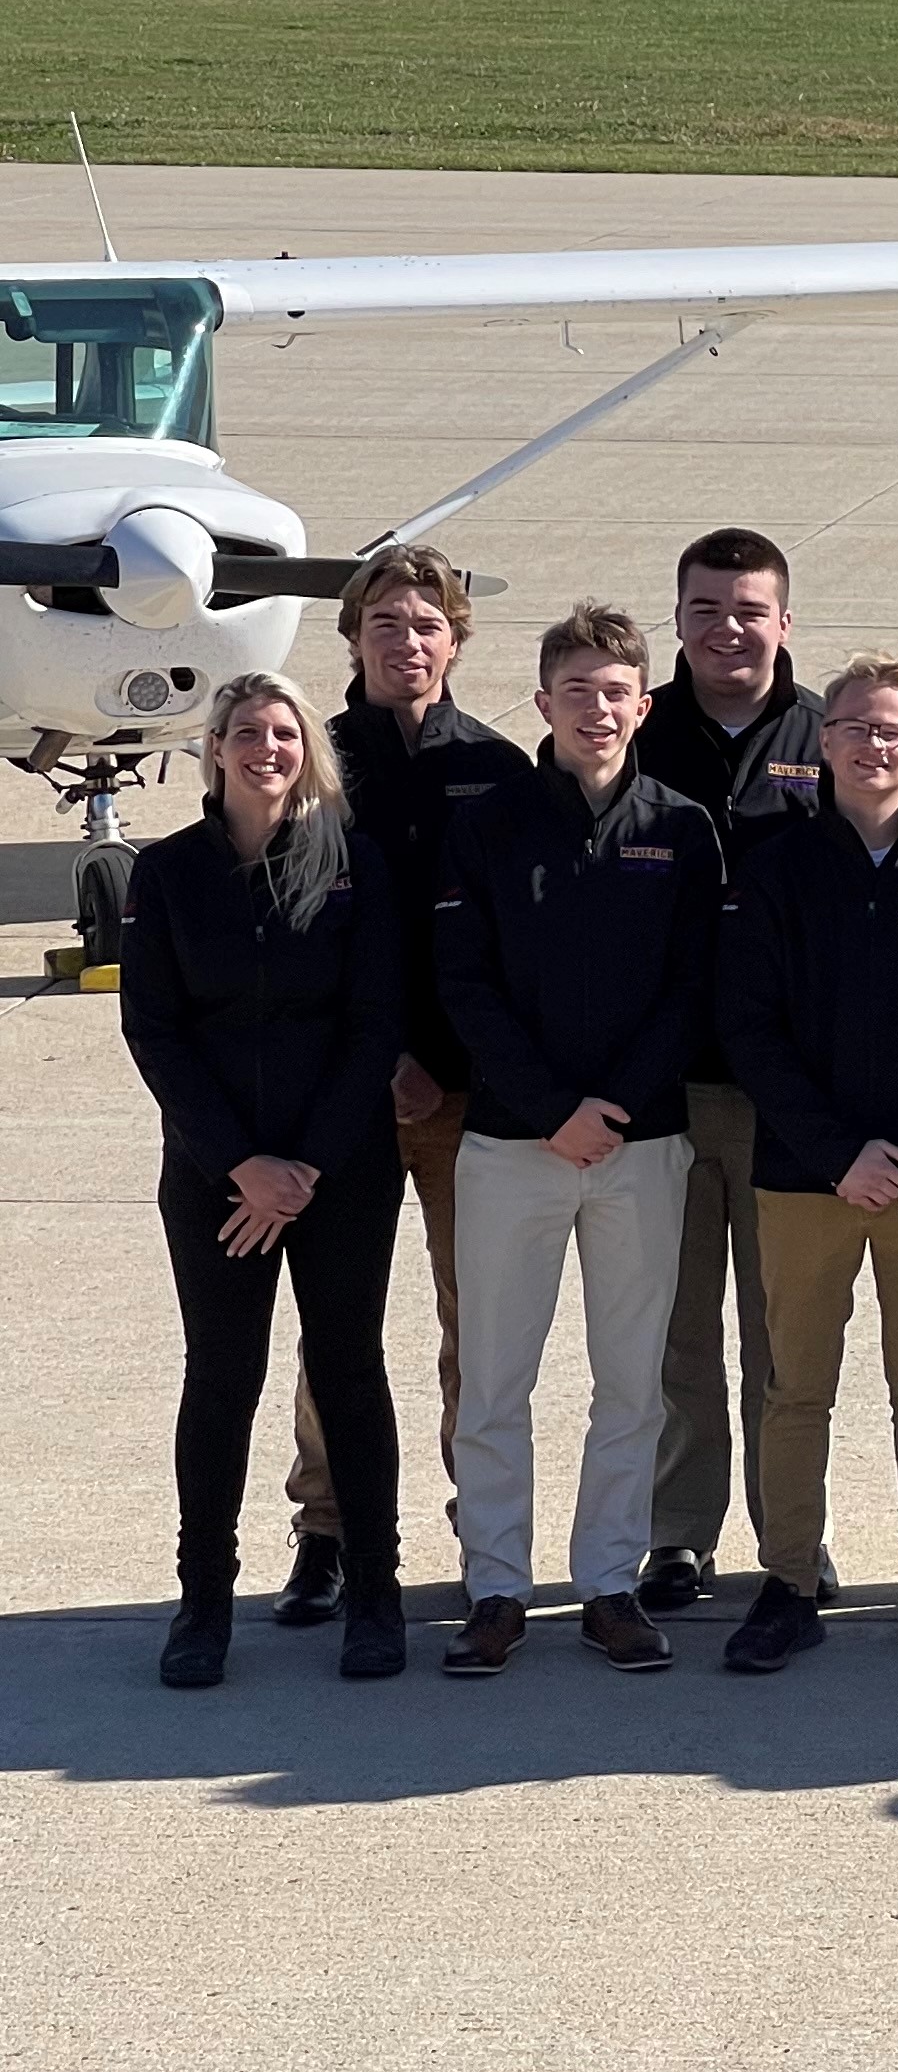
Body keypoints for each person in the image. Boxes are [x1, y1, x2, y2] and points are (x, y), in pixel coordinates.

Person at [431, 605, 725, 1677]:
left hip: (642, 1149)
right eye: (577, 690)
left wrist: (616, 1105)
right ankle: (496, 1589)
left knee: (632, 1381)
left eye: (616, 692)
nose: (597, 709)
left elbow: (694, 989)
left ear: (642, 705)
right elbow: (464, 981)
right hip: (515, 1145)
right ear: (543, 699)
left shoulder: (683, 828)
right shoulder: (492, 824)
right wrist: (553, 1106)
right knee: (497, 1380)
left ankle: (608, 1581)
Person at [713, 654, 898, 1674]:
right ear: (822, 741)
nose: (873, 747)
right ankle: (787, 1579)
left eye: (894, 733)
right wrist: (841, 1152)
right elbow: (749, 1028)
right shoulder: (776, 872)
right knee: (797, 1387)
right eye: (853, 728)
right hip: (805, 1176)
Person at [122, 674, 408, 1687]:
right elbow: (153, 1029)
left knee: (348, 1369)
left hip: (342, 1167)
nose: (266, 748)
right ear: (215, 749)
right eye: (247, 732)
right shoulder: (167, 875)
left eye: (284, 733)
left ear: (308, 750)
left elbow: (376, 1024)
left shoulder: (353, 865)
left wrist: (306, 1168)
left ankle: (375, 1596)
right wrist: (242, 1165)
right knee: (222, 1377)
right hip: (216, 1173)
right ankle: (203, 1605)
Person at [273, 544, 525, 1623]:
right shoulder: (312, 765)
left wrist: (456, 1069)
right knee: (339, 1322)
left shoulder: (505, 770)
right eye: (384, 623)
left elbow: (519, 946)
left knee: (481, 1327)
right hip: (348, 1098)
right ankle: (326, 1530)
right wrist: (379, 1066)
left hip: (472, 1102)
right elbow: (292, 937)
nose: (405, 641)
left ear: (457, 641)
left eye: (426, 624)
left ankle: (486, 1533)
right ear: (352, 639)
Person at [634, 525, 823, 1614]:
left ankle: (793, 1534)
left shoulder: (824, 731)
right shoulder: (638, 733)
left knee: (783, 1333)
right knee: (676, 1327)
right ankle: (678, 1535)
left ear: (784, 623)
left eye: (750, 610)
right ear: (679, 621)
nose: (728, 629)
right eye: (707, 609)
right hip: (667, 1084)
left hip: (782, 1092)